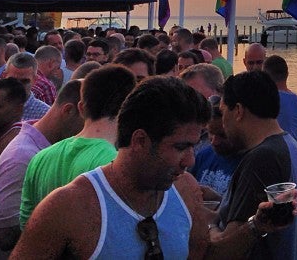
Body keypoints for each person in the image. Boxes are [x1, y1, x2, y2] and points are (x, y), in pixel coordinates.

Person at [12, 76, 210, 259]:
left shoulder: (185, 191)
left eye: (193, 146)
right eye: (180, 147)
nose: (190, 161)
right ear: (140, 140)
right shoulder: (69, 207)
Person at [19, 64, 136, 228]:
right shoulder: (115, 164)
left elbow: (26, 225)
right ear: (129, 110)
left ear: (81, 107)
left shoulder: (40, 158)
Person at [212, 71, 297, 259]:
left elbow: (228, 246)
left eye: (224, 112)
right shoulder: (292, 146)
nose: (222, 124)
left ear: (238, 111)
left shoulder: (262, 158)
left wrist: (209, 228)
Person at [0, 80, 83, 255]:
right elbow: (6, 235)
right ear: (68, 111)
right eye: (87, 123)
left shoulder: (48, 148)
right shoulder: (22, 156)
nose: (88, 133)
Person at [190, 95, 241, 198]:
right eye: (211, 133)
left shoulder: (248, 162)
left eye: (222, 135)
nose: (214, 142)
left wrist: (218, 200)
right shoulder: (203, 157)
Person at [263, 55, 297, 144]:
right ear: (287, 74)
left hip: (273, 154)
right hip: (295, 152)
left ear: (265, 77)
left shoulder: (267, 100)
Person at [2, 53, 51, 122]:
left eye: (24, 81)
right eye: (13, 80)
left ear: (35, 80)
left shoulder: (44, 114)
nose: (18, 86)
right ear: (4, 76)